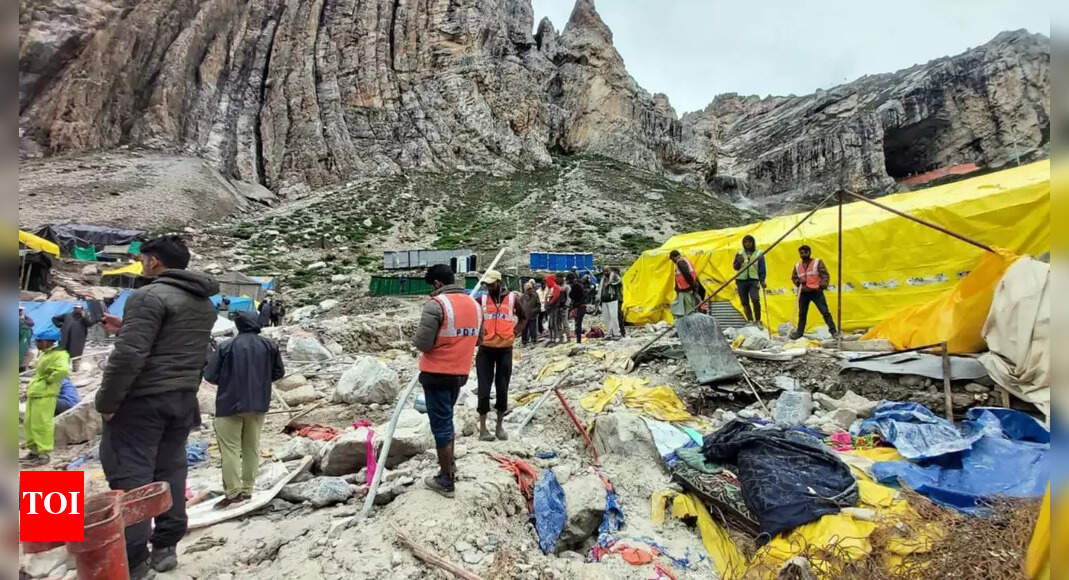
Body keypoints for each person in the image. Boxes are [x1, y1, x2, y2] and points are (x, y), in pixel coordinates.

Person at [95, 236, 218, 578]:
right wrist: (127, 329)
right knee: (171, 470)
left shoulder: (147, 296)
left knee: (130, 476)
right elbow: (175, 345)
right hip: (181, 399)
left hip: (142, 401)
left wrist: (107, 402)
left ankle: (133, 560)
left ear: (153, 262)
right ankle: (166, 547)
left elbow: (130, 356)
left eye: (143, 259)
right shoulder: (204, 303)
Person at [412, 264, 482, 498]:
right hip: (459, 374)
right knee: (447, 419)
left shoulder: (437, 305)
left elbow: (423, 343)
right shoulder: (475, 304)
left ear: (437, 284)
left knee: (441, 425)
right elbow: (479, 339)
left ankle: (445, 480)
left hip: (436, 374)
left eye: (431, 287)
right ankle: (450, 467)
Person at [203, 311, 285, 509]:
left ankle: (233, 493)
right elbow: (279, 372)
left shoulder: (226, 346)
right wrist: (260, 381)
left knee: (230, 449)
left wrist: (228, 381)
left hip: (229, 403)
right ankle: (248, 489)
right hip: (258, 404)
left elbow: (210, 375)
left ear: (238, 325)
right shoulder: (269, 345)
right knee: (251, 447)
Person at [475, 270, 523, 441]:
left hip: (505, 350)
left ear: (499, 283)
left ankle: (499, 426)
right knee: (483, 389)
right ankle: (482, 429)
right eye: (486, 284)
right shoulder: (480, 300)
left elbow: (524, 317)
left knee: (502, 388)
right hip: (485, 350)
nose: (488, 287)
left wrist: (515, 332)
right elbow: (471, 317)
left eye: (491, 284)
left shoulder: (512, 299)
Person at [21, 328, 70, 467]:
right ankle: (34, 451)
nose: (37, 343)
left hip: (46, 394)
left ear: (49, 342)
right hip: (36, 393)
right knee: (30, 424)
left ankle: (43, 454)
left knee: (41, 425)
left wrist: (48, 380)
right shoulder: (44, 354)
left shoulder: (60, 354)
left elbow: (62, 370)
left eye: (39, 341)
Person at [790, 245, 838, 339]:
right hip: (804, 292)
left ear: (809, 252)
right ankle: (799, 333)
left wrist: (822, 286)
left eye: (804, 252)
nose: (803, 255)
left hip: (816, 291)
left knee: (825, 312)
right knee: (802, 314)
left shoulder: (817, 262)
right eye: (801, 253)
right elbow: (794, 277)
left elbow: (825, 275)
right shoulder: (797, 266)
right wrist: (798, 282)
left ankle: (834, 331)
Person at [732, 235, 767, 325]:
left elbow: (762, 268)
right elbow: (735, 267)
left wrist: (762, 280)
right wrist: (738, 262)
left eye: (749, 242)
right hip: (741, 280)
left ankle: (758, 320)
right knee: (744, 301)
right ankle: (750, 320)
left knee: (755, 299)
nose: (747, 244)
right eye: (745, 242)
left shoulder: (759, 253)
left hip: (753, 280)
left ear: (753, 243)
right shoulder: (739, 253)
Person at [53, 304, 91, 371]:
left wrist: (84, 317)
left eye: (79, 308)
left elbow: (89, 324)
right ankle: (63, 369)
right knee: (64, 353)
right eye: (76, 308)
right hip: (65, 338)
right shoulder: (67, 315)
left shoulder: (84, 317)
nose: (78, 309)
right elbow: (55, 318)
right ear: (74, 308)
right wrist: (60, 325)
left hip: (78, 338)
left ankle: (75, 370)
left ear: (82, 309)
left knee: (76, 354)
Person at [669, 250, 705, 318]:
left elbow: (687, 275)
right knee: (687, 307)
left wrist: (692, 285)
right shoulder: (685, 260)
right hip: (687, 288)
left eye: (672, 259)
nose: (673, 261)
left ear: (674, 257)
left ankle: (690, 321)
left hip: (686, 289)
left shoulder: (680, 262)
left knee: (688, 309)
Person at [598, 267, 623, 339]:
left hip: (613, 299)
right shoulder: (603, 279)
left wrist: (610, 282)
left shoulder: (614, 277)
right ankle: (608, 333)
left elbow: (619, 282)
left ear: (609, 271)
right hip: (604, 300)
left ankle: (616, 333)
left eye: (607, 271)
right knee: (606, 318)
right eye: (604, 271)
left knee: (614, 317)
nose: (606, 273)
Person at [518, 280, 541, 346]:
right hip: (525, 316)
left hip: (532, 315)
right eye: (527, 289)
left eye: (530, 288)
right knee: (524, 329)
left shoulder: (535, 295)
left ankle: (534, 340)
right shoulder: (522, 296)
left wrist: (534, 311)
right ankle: (524, 341)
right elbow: (519, 305)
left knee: (533, 329)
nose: (529, 290)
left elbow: (538, 305)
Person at [543, 274, 565, 344]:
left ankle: (556, 338)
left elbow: (555, 297)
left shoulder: (555, 287)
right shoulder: (550, 288)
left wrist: (549, 303)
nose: (546, 283)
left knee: (554, 323)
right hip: (551, 308)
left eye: (547, 281)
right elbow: (547, 297)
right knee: (550, 324)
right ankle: (552, 338)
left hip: (555, 308)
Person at [567, 273, 587, 344]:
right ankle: (578, 340)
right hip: (579, 307)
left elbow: (574, 296)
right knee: (577, 324)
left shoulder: (576, 286)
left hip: (580, 307)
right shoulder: (577, 286)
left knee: (578, 324)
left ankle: (579, 341)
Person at [18, 307, 34, 372]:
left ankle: (21, 369)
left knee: (24, 354)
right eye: (19, 310)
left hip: (23, 340)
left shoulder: (24, 317)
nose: (20, 312)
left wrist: (22, 320)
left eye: (20, 310)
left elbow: (31, 323)